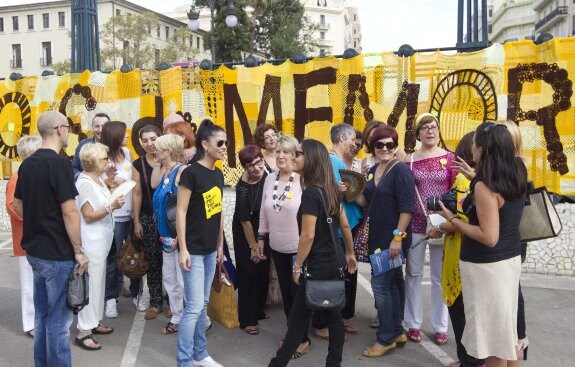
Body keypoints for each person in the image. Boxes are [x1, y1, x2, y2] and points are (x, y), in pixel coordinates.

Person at [435, 122, 527, 366]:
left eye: (474, 144)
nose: (471, 149)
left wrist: (452, 218)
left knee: (493, 341)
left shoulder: (485, 187)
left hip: (487, 268)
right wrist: (474, 176)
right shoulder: (517, 169)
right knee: (506, 333)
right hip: (509, 261)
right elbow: (501, 200)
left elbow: (489, 237)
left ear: (483, 149)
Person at [268, 138, 358, 367]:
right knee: (334, 316)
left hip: (316, 265)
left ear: (311, 160)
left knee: (297, 323)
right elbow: (344, 226)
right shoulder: (329, 190)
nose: (294, 157)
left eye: (298, 154)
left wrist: (297, 266)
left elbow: (307, 236)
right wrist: (349, 253)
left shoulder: (310, 194)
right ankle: (333, 363)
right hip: (334, 260)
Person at [13, 111, 89, 367]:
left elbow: (18, 205)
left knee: (42, 317)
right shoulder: (59, 164)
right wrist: (78, 250)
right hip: (57, 254)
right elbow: (70, 211)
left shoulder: (27, 164)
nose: (68, 131)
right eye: (67, 127)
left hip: (35, 251)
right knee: (58, 323)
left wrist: (39, 220)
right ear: (59, 129)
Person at [355, 125, 415, 357]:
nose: (384, 148)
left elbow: (407, 208)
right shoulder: (372, 171)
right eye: (379, 144)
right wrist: (349, 191)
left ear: (395, 146)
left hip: (392, 240)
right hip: (378, 238)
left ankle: (386, 337)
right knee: (391, 284)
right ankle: (397, 330)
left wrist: (397, 239)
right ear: (373, 147)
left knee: (380, 286)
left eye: (390, 144)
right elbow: (367, 202)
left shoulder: (401, 171)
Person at [176, 120, 226, 367]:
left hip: (209, 251)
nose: (225, 147)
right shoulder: (191, 173)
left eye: (226, 142)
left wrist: (220, 245)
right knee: (194, 307)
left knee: (202, 305)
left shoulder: (217, 173)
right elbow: (181, 212)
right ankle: (184, 360)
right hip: (193, 251)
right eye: (220, 142)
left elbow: (218, 212)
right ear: (205, 144)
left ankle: (200, 354)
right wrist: (183, 248)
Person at [430, 132, 482, 367]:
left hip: (460, 255)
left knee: (461, 313)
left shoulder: (464, 182)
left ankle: (467, 360)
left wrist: (439, 226)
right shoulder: (485, 181)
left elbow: (457, 222)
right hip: (477, 257)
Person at [404, 113, 455, 345]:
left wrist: (448, 221)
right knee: (413, 274)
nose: (430, 131)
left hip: (442, 225)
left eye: (433, 127)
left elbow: (455, 193)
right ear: (418, 133)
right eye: (424, 128)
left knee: (438, 276)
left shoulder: (450, 158)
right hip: (415, 222)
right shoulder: (410, 160)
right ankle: (413, 324)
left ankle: (441, 326)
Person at [257, 135, 310, 358]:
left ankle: (302, 339)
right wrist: (261, 238)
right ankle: (294, 332)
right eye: (277, 151)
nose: (280, 155)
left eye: (286, 152)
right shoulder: (269, 179)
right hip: (276, 246)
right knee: (288, 295)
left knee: (299, 295)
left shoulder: (304, 180)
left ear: (295, 155)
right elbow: (263, 211)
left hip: (299, 249)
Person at [314, 123, 362, 339]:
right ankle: (325, 324)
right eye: (352, 138)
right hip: (338, 231)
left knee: (343, 277)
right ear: (342, 137)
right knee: (337, 277)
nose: (355, 143)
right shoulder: (332, 160)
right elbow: (329, 196)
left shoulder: (335, 160)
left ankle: (338, 319)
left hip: (345, 228)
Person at [74, 142, 125, 350]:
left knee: (97, 284)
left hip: (100, 241)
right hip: (92, 241)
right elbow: (88, 215)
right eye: (105, 158)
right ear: (94, 161)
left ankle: (93, 321)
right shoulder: (84, 182)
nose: (109, 161)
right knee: (90, 285)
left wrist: (110, 180)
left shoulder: (95, 180)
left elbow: (99, 194)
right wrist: (111, 206)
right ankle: (84, 329)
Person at [100, 121, 144, 317]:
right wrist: (110, 181)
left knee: (135, 255)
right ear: (114, 136)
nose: (127, 137)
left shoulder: (127, 154)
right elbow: (98, 187)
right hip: (113, 216)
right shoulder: (102, 158)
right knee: (113, 258)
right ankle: (111, 299)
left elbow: (135, 186)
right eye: (123, 134)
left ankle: (137, 293)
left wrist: (136, 214)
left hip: (130, 213)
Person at [152, 134, 188, 335]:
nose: (154, 151)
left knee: (183, 282)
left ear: (168, 151)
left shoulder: (181, 172)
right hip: (165, 237)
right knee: (170, 280)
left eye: (158, 148)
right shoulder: (166, 170)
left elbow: (186, 207)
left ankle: (200, 320)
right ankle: (176, 317)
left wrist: (178, 237)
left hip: (176, 237)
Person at [6, 135, 41, 338]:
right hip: (25, 239)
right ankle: (30, 323)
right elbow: (12, 207)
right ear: (29, 154)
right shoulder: (17, 177)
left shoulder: (26, 174)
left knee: (35, 282)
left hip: (33, 238)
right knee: (29, 284)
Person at [233, 145, 270, 335]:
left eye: (259, 162)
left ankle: (258, 309)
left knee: (263, 269)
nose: (257, 168)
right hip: (246, 229)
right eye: (251, 166)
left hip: (265, 226)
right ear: (244, 168)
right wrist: (253, 246)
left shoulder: (268, 174)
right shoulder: (242, 189)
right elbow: (245, 221)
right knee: (248, 271)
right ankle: (247, 319)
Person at [132, 124, 164, 320]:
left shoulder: (170, 159)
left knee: (173, 262)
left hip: (170, 219)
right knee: (153, 261)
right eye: (145, 141)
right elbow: (136, 194)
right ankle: (155, 301)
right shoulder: (138, 164)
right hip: (148, 217)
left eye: (153, 139)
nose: (149, 144)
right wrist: (136, 221)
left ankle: (174, 301)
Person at [72, 113, 110, 180]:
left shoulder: (115, 146)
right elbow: (73, 168)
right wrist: (85, 178)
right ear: (92, 128)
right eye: (97, 126)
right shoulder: (83, 145)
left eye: (104, 126)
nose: (100, 130)